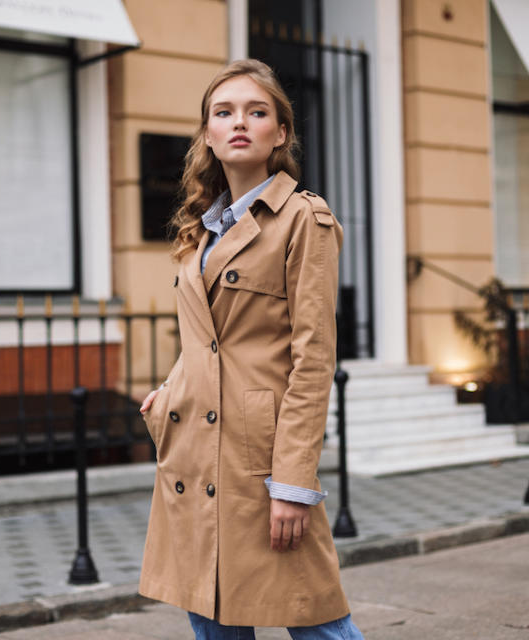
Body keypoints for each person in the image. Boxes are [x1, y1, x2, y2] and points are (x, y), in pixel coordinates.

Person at [137, 59, 363, 640]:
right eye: (224, 112)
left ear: (280, 133)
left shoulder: (302, 220)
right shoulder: (202, 229)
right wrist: (168, 393)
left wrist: (293, 482)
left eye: (256, 112)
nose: (240, 123)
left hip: (257, 458)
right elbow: (208, 340)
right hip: (193, 453)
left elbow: (313, 361)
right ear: (208, 134)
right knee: (211, 615)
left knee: (315, 619)